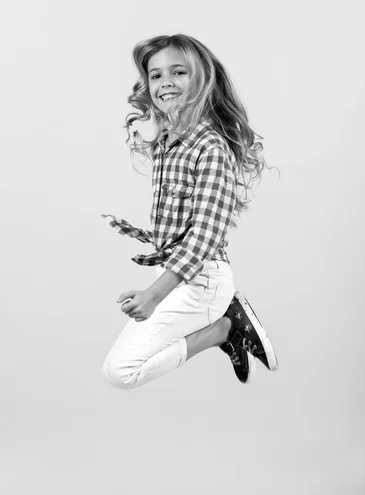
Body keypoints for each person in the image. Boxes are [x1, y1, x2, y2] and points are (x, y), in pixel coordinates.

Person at [101, 33, 279, 390]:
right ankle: (225, 325)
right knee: (118, 365)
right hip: (175, 274)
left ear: (200, 79)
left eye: (178, 72)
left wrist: (153, 296)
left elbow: (204, 237)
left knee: (120, 372)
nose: (165, 82)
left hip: (201, 280)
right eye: (156, 75)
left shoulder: (210, 146)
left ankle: (224, 328)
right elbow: (182, 224)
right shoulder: (169, 142)